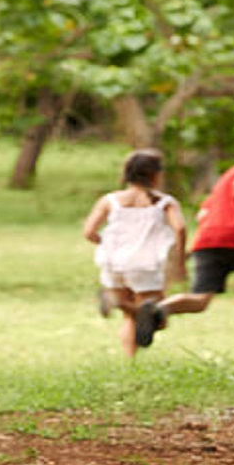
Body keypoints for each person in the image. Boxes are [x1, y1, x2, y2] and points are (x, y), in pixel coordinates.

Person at [134, 117, 234, 366]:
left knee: (201, 300)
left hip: (209, 239)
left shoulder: (231, 173)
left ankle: (159, 310)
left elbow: (205, 211)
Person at [82, 149, 186, 357]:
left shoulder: (110, 200)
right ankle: (118, 304)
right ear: (156, 175)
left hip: (113, 262)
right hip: (145, 265)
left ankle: (130, 358)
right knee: (159, 318)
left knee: (132, 317)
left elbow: (89, 232)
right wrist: (180, 259)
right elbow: (180, 228)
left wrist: (108, 243)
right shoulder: (165, 203)